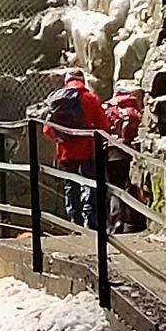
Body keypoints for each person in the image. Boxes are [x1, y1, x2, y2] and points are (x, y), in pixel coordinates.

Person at [42, 68, 110, 228]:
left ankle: (74, 219)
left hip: (65, 151)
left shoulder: (56, 99)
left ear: (66, 81)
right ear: (83, 80)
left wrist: (59, 138)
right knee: (90, 183)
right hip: (88, 149)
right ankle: (91, 219)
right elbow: (104, 126)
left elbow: (46, 129)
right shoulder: (90, 98)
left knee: (71, 184)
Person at [105, 85, 145, 233]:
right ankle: (131, 222)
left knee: (114, 188)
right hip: (128, 152)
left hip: (110, 152)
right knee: (130, 188)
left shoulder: (109, 107)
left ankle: (116, 222)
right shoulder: (133, 110)